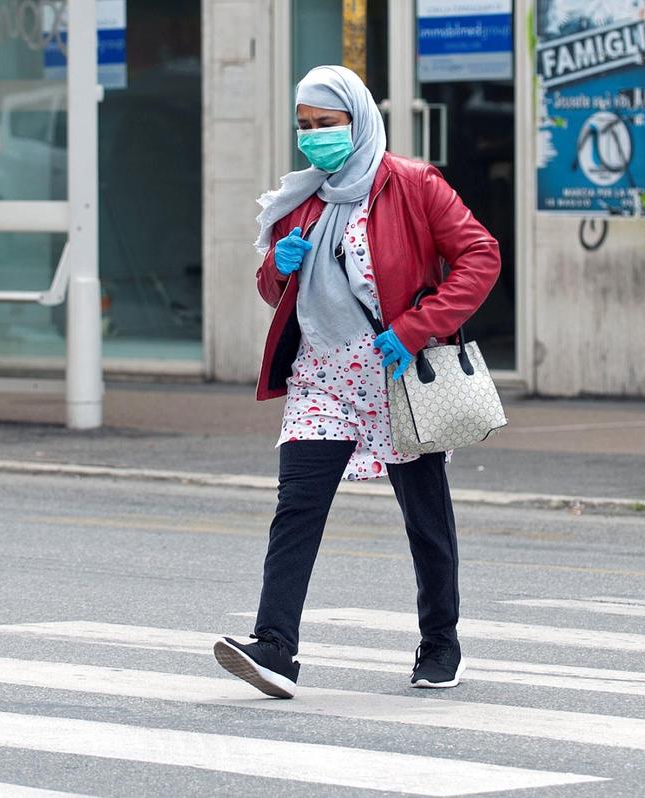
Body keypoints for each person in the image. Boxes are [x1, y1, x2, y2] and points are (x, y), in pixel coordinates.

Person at [213, 65, 501, 698]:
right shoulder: (304, 199)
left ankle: (440, 644)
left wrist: (420, 327)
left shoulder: (415, 184)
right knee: (297, 507)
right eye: (305, 126)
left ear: (359, 119)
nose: (315, 137)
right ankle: (276, 649)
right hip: (323, 377)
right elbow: (278, 291)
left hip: (396, 375)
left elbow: (481, 256)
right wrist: (275, 267)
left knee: (426, 519)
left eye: (328, 124)